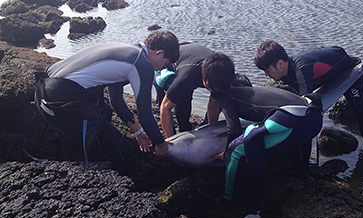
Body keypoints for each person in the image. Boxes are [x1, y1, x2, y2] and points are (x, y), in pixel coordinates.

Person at [34, 30, 180, 175]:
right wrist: (160, 144)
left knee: (105, 118)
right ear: (159, 53)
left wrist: (139, 131)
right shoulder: (143, 64)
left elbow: (116, 101)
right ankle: (119, 192)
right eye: (165, 63)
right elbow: (145, 113)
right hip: (59, 101)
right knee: (123, 152)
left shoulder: (126, 50)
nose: (161, 68)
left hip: (43, 93)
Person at [202, 52, 323, 203]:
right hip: (314, 119)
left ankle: (235, 199)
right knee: (259, 134)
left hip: (295, 122)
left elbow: (233, 129)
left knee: (236, 150)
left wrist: (225, 154)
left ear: (206, 81)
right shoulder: (251, 91)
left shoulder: (226, 97)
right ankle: (301, 173)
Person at [254, 40, 363, 153]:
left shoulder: (301, 68)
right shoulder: (286, 74)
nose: (265, 75)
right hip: (328, 79)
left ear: (280, 64)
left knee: (362, 112)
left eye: (267, 70)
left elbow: (305, 104)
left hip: (349, 73)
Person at [156, 42, 216, 138]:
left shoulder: (223, 70)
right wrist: (170, 141)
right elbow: (165, 107)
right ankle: (181, 128)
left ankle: (204, 125)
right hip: (165, 65)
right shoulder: (187, 76)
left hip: (189, 51)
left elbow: (214, 105)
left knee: (219, 95)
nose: (210, 90)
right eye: (209, 87)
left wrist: (211, 131)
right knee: (182, 95)